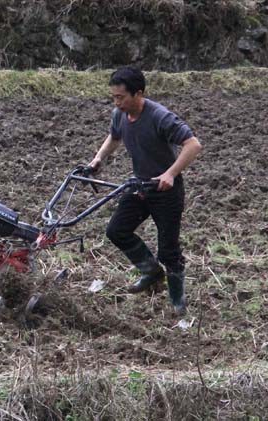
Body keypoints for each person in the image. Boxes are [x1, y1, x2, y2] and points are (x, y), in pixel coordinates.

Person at [88, 66, 202, 313]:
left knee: (169, 250)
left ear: (138, 94)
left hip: (166, 191)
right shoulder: (120, 114)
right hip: (140, 185)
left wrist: (170, 173)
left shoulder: (160, 117)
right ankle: (150, 271)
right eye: (113, 97)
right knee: (116, 230)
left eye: (121, 97)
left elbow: (193, 144)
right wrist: (98, 159)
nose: (116, 102)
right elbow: (114, 137)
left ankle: (177, 302)